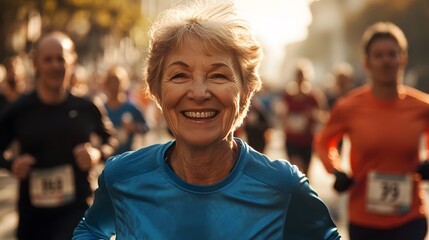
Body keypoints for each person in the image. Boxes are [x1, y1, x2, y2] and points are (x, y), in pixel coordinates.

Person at [72, 1, 340, 239]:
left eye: (218, 75)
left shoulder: (282, 186)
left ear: (246, 93)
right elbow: (91, 230)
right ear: (156, 92)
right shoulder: (122, 177)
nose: (199, 93)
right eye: (180, 76)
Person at [314, 21, 429, 240]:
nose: (386, 61)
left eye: (392, 54)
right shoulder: (348, 107)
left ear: (402, 58)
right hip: (363, 219)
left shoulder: (421, 107)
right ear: (366, 62)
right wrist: (335, 170)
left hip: (410, 217)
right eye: (378, 55)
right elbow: (323, 142)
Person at [0, 31, 117, 240]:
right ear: (36, 64)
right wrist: (12, 164)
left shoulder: (87, 107)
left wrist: (96, 154)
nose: (55, 65)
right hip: (34, 219)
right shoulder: (19, 110)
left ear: (72, 61)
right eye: (48, 59)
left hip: (78, 213)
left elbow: (111, 141)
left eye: (61, 59)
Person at [279, 59, 327, 175]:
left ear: (307, 77)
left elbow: (323, 117)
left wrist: (312, 115)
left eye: (302, 76)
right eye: (298, 76)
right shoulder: (288, 96)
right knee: (295, 171)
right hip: (291, 139)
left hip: (307, 140)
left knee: (306, 174)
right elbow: (281, 114)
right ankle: (295, 192)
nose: (300, 79)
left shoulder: (313, 97)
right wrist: (284, 118)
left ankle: (303, 193)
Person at [102, 65, 149, 154]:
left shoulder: (131, 108)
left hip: (126, 158)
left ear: (124, 83)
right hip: (106, 160)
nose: (114, 86)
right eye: (110, 82)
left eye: (117, 82)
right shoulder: (101, 108)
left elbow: (146, 127)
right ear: (106, 84)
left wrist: (134, 127)